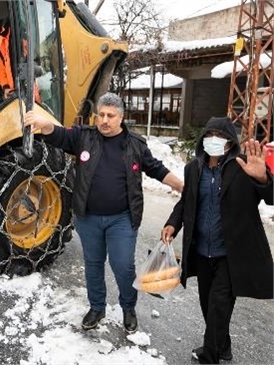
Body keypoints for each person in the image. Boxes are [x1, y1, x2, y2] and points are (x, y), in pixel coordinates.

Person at [24, 92, 184, 333]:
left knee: (123, 266)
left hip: (122, 219)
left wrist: (182, 186)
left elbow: (157, 170)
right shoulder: (83, 137)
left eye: (111, 115)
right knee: (93, 264)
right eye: (101, 115)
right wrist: (44, 124)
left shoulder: (135, 145)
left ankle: (128, 308)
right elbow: (59, 135)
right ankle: (97, 307)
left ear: (121, 117)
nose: (105, 120)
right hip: (88, 218)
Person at [160, 116, 273, 364]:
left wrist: (263, 178)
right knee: (207, 305)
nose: (215, 140)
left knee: (218, 307)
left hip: (230, 255)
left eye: (221, 136)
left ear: (231, 142)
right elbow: (185, 202)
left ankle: (210, 356)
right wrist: (172, 223)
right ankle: (223, 347)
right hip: (201, 252)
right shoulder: (193, 168)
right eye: (210, 134)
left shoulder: (243, 167)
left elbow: (270, 197)